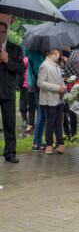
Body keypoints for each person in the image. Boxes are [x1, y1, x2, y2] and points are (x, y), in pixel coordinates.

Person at [0, 22, 25, 163]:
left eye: (3, 32)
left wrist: (8, 60)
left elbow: (21, 69)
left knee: (9, 123)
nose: (1, 35)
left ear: (7, 33)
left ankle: (10, 152)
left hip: (8, 91)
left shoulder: (15, 48)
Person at [37, 49, 67, 155]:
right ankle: (49, 144)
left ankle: (60, 143)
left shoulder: (56, 66)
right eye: (59, 54)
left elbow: (60, 80)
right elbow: (40, 83)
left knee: (58, 122)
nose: (59, 56)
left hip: (58, 98)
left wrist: (64, 88)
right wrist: (57, 88)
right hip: (49, 99)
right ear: (55, 53)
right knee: (50, 122)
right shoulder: (44, 65)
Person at [25, 49, 46, 150]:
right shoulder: (35, 54)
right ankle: (37, 142)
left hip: (34, 84)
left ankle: (37, 142)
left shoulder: (32, 53)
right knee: (42, 115)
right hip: (38, 85)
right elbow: (40, 72)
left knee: (42, 114)